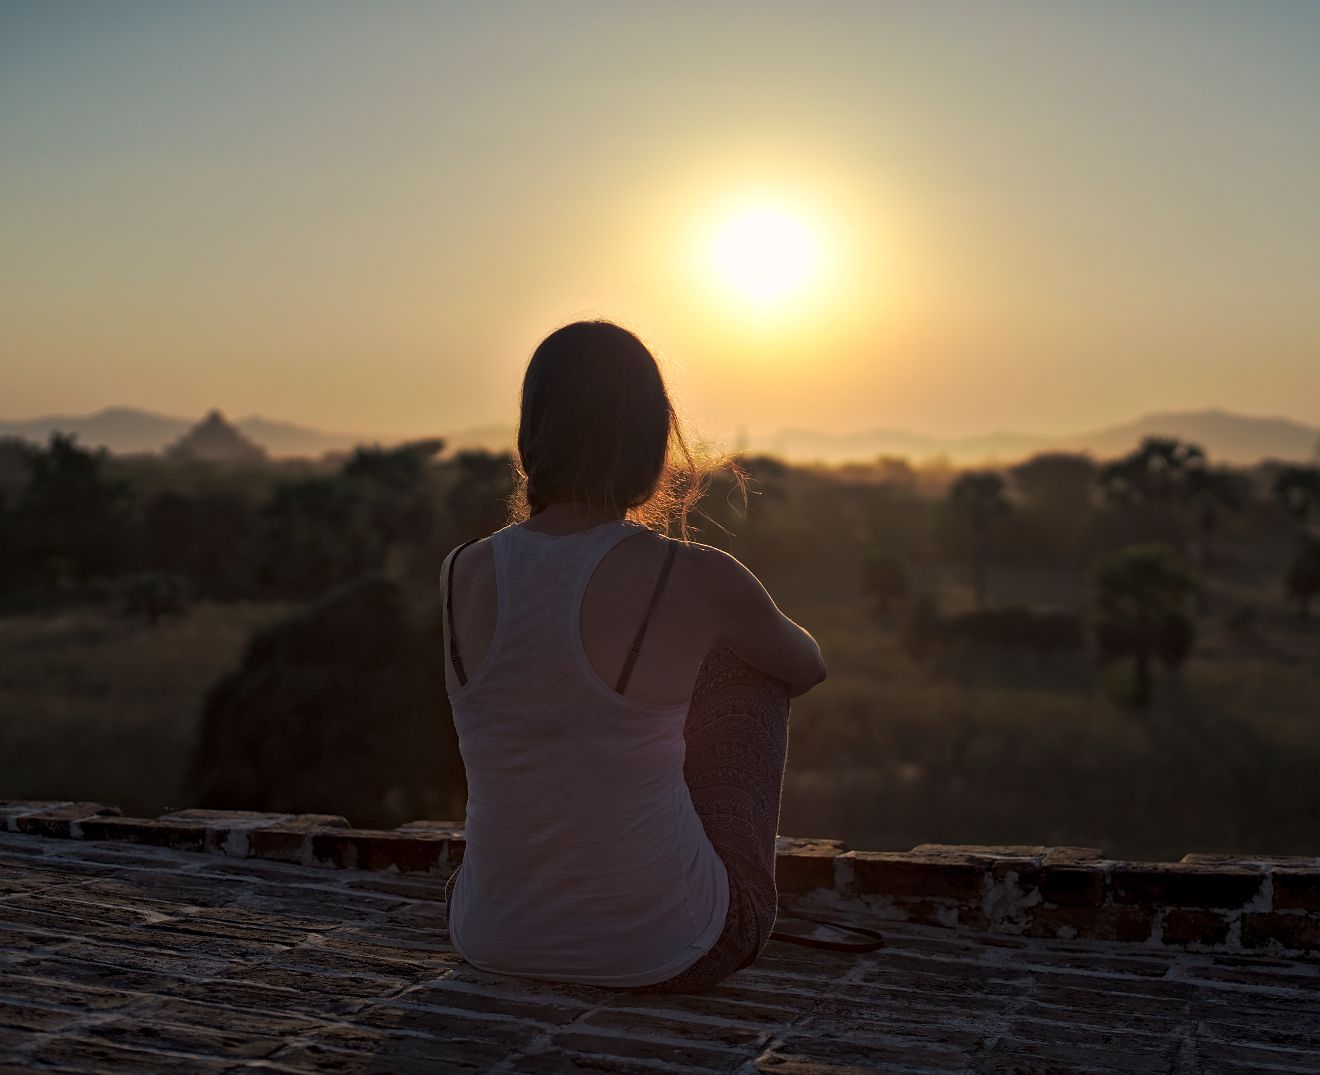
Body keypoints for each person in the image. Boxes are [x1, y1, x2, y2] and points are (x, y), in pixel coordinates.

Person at [439, 319, 827, 993]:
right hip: (665, 947)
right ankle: (672, 886)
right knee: (747, 663)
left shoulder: (459, 573)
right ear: (651, 444)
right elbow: (805, 664)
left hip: (488, 935)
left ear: (532, 437)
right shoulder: (700, 576)